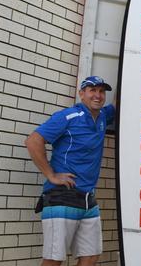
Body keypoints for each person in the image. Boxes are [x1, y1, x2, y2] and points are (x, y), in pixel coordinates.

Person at [25, 76, 115, 266]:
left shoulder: (102, 117)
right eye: (92, 90)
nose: (98, 95)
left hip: (88, 199)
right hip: (62, 197)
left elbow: (118, 104)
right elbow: (33, 141)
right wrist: (51, 175)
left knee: (91, 256)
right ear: (82, 94)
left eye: (101, 91)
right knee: (53, 259)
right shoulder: (67, 116)